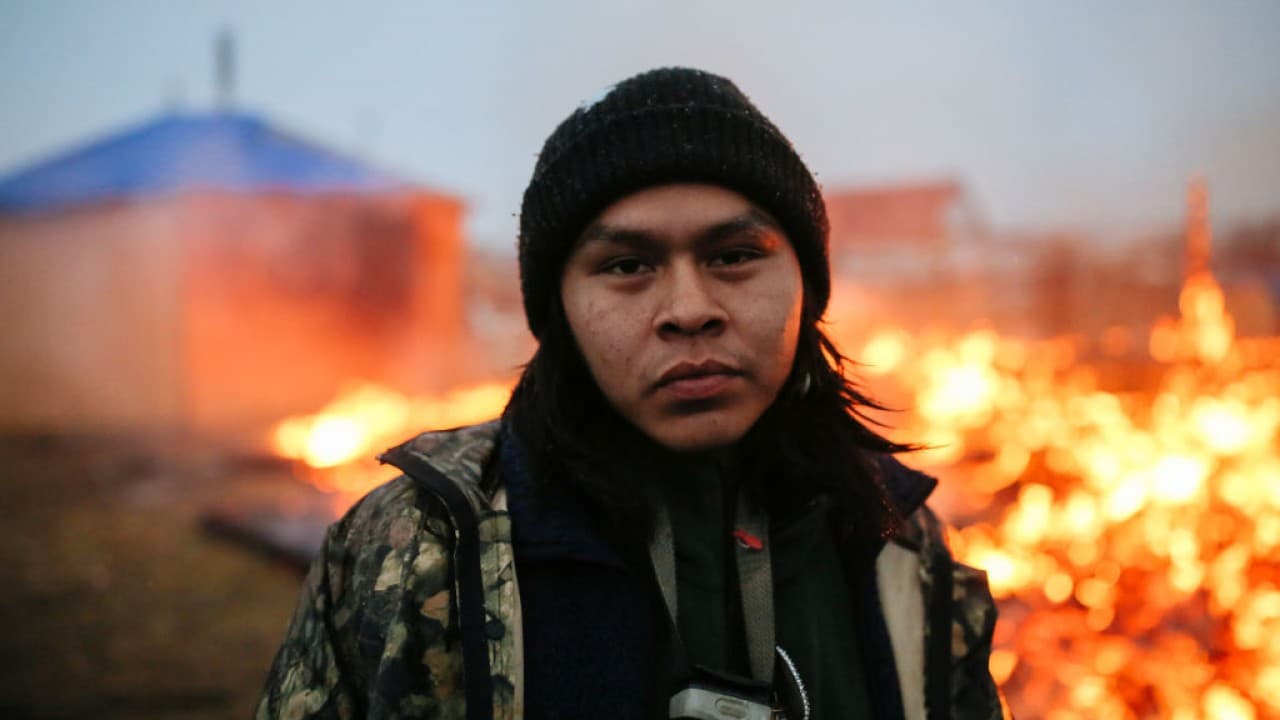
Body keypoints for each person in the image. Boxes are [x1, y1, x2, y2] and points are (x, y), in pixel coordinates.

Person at [258, 67, 1009, 720]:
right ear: (559, 312)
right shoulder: (423, 545)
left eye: (736, 255)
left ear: (806, 287)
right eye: (626, 265)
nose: (689, 308)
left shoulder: (898, 546)